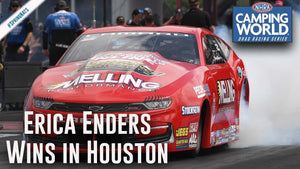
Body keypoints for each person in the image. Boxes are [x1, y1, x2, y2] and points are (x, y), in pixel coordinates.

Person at [43, 0, 83, 66]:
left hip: (55, 49)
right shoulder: (73, 16)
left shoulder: (50, 17)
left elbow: (45, 34)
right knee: (70, 68)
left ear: (55, 8)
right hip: (70, 49)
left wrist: (45, 48)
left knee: (54, 69)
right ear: (67, 8)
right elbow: (80, 32)